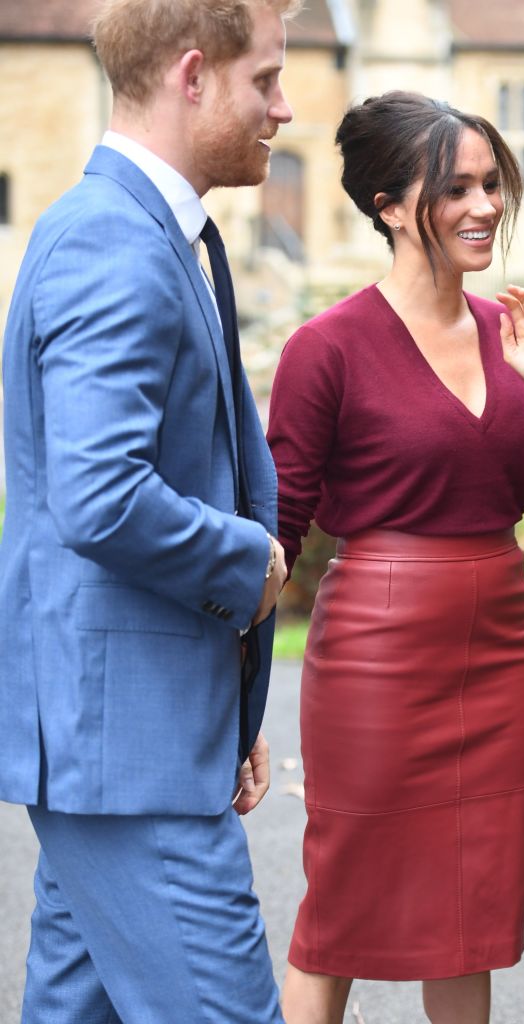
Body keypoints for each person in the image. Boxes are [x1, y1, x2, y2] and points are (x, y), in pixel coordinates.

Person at [267, 91, 524, 1024]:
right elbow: (279, 529)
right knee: (339, 910)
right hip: (374, 660)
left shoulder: (518, 340)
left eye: (490, 183)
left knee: (469, 914)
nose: (485, 206)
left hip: (496, 645)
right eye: (456, 187)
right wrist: (228, 705)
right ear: (390, 204)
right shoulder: (327, 348)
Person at [0, 0, 300, 1021]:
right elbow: (100, 491)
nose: (284, 107)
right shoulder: (114, 242)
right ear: (191, 75)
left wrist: (223, 701)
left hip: (132, 731)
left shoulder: (130, 229)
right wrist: (251, 564)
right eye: (264, 80)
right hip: (126, 753)